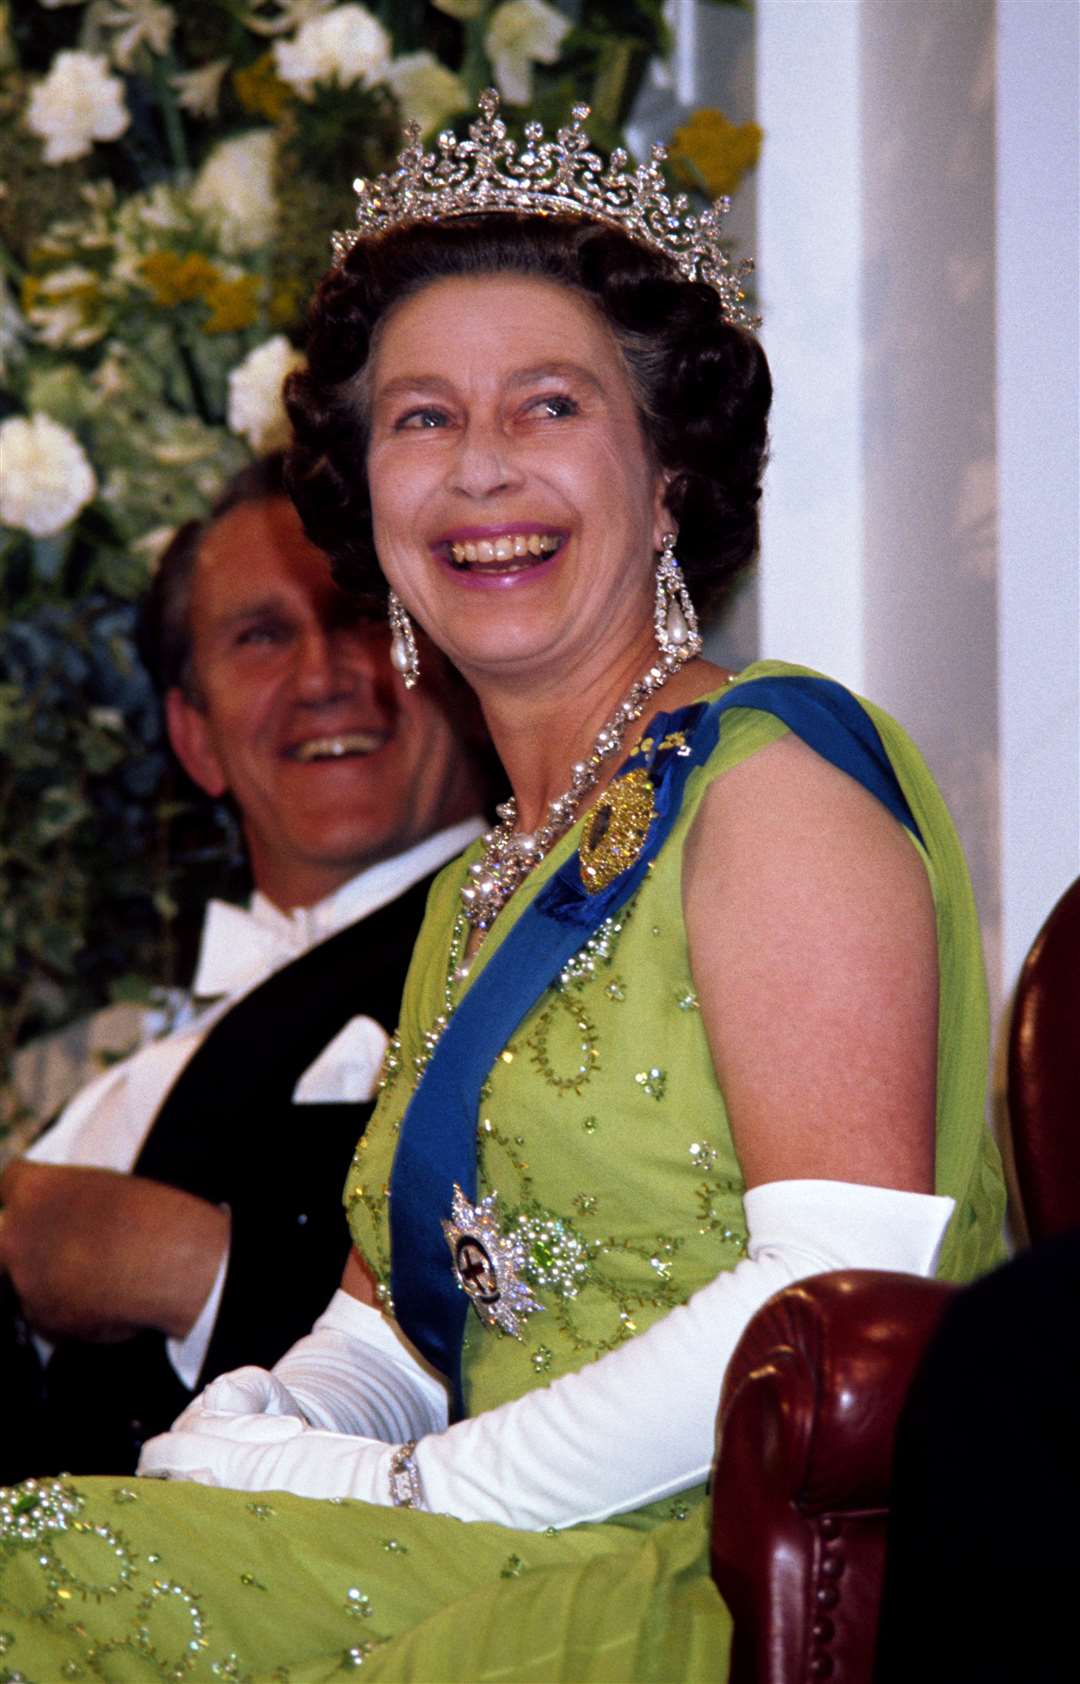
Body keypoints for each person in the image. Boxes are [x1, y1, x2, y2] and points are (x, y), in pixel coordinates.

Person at [0, 94, 1007, 1682]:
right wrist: (262, 1415)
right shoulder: (487, 885)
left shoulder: (771, 789)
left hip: (676, 1583)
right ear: (371, 506)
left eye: (547, 407)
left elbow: (831, 1283)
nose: (479, 469)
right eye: (420, 418)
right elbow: (402, 1322)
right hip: (472, 1553)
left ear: (666, 470)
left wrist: (415, 1490)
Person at [0, 456, 490, 1481]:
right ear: (195, 734)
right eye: (261, 635)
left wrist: (192, 1268)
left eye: (361, 613)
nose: (323, 676)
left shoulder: (533, 955)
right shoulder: (115, 1084)